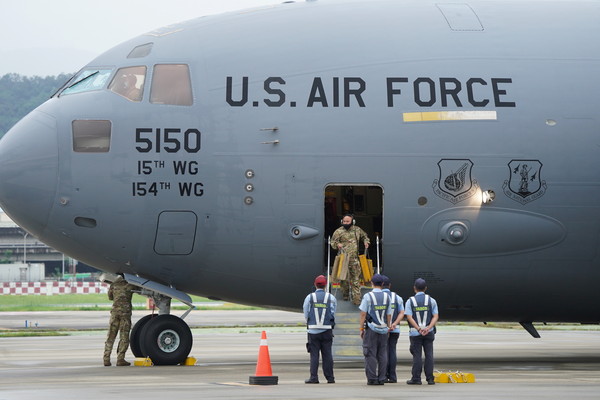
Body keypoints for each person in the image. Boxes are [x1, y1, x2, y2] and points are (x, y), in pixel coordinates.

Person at [359, 273, 392, 385]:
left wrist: (361, 328)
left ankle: (372, 378)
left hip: (372, 329)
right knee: (382, 354)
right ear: (382, 284)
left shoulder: (368, 296)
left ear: (372, 283)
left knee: (370, 353)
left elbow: (363, 314)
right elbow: (388, 314)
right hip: (383, 329)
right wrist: (388, 327)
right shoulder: (387, 297)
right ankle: (382, 378)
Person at [303, 275, 336, 384]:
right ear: (326, 285)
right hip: (327, 329)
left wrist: (310, 322)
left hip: (313, 330)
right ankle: (330, 378)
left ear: (315, 284)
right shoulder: (331, 297)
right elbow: (333, 312)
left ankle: (314, 377)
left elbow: (306, 312)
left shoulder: (310, 297)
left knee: (314, 355)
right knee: (327, 354)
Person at [405, 278, 439, 385]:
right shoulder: (432, 300)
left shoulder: (410, 301)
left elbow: (409, 317)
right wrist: (428, 328)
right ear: (426, 288)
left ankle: (416, 378)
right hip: (429, 332)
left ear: (414, 288)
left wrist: (419, 329)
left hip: (415, 333)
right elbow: (435, 316)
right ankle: (430, 379)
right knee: (429, 355)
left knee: (417, 356)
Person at [330, 213, 370, 305]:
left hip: (354, 259)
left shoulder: (357, 230)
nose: (346, 223)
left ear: (353, 221)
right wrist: (337, 245)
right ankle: (345, 295)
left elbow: (365, 236)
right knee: (344, 279)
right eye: (344, 221)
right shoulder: (338, 231)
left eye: (348, 221)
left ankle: (357, 299)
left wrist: (366, 242)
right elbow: (333, 242)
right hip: (343, 259)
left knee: (355, 279)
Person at [103, 275, 137, 366]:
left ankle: (106, 358)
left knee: (111, 336)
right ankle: (120, 359)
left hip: (114, 313)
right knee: (124, 336)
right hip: (125, 314)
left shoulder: (113, 285)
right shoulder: (130, 285)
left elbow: (110, 297)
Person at [382, 275, 405, 383]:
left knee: (383, 352)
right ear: (390, 285)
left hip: (382, 329)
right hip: (395, 329)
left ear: (381, 285)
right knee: (392, 351)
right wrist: (394, 324)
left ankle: (384, 375)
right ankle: (393, 376)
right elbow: (402, 313)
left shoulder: (378, 296)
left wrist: (387, 325)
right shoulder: (397, 297)